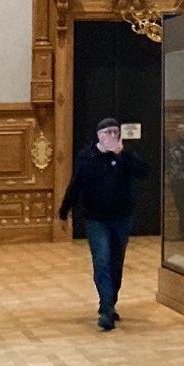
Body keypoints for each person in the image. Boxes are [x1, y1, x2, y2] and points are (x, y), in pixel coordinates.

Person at [60, 117, 147, 331]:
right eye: (108, 132)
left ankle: (111, 300)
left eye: (116, 132)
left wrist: (124, 155)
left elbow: (144, 172)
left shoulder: (125, 156)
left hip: (121, 218)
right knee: (102, 259)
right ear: (99, 135)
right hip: (95, 218)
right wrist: (64, 210)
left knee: (116, 262)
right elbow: (76, 184)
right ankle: (106, 308)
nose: (112, 136)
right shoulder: (87, 156)